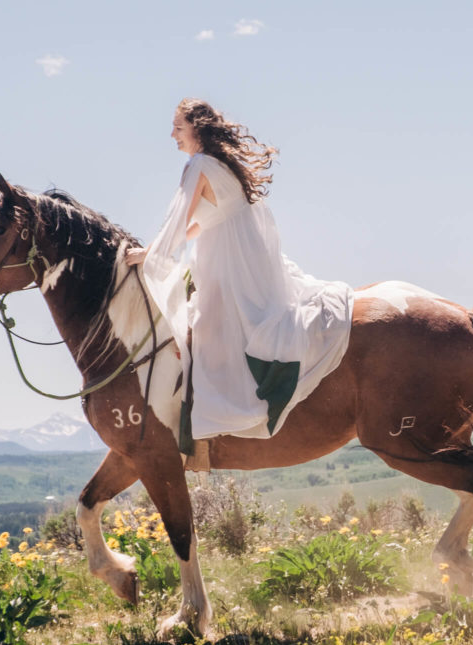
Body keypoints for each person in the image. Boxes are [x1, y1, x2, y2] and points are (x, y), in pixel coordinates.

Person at [126, 99, 353, 447]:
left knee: (201, 329)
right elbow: (198, 225)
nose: (172, 134)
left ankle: (206, 424)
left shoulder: (199, 164)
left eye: (178, 127)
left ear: (197, 128)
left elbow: (180, 223)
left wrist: (149, 254)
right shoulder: (221, 164)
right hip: (242, 258)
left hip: (226, 263)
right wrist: (157, 250)